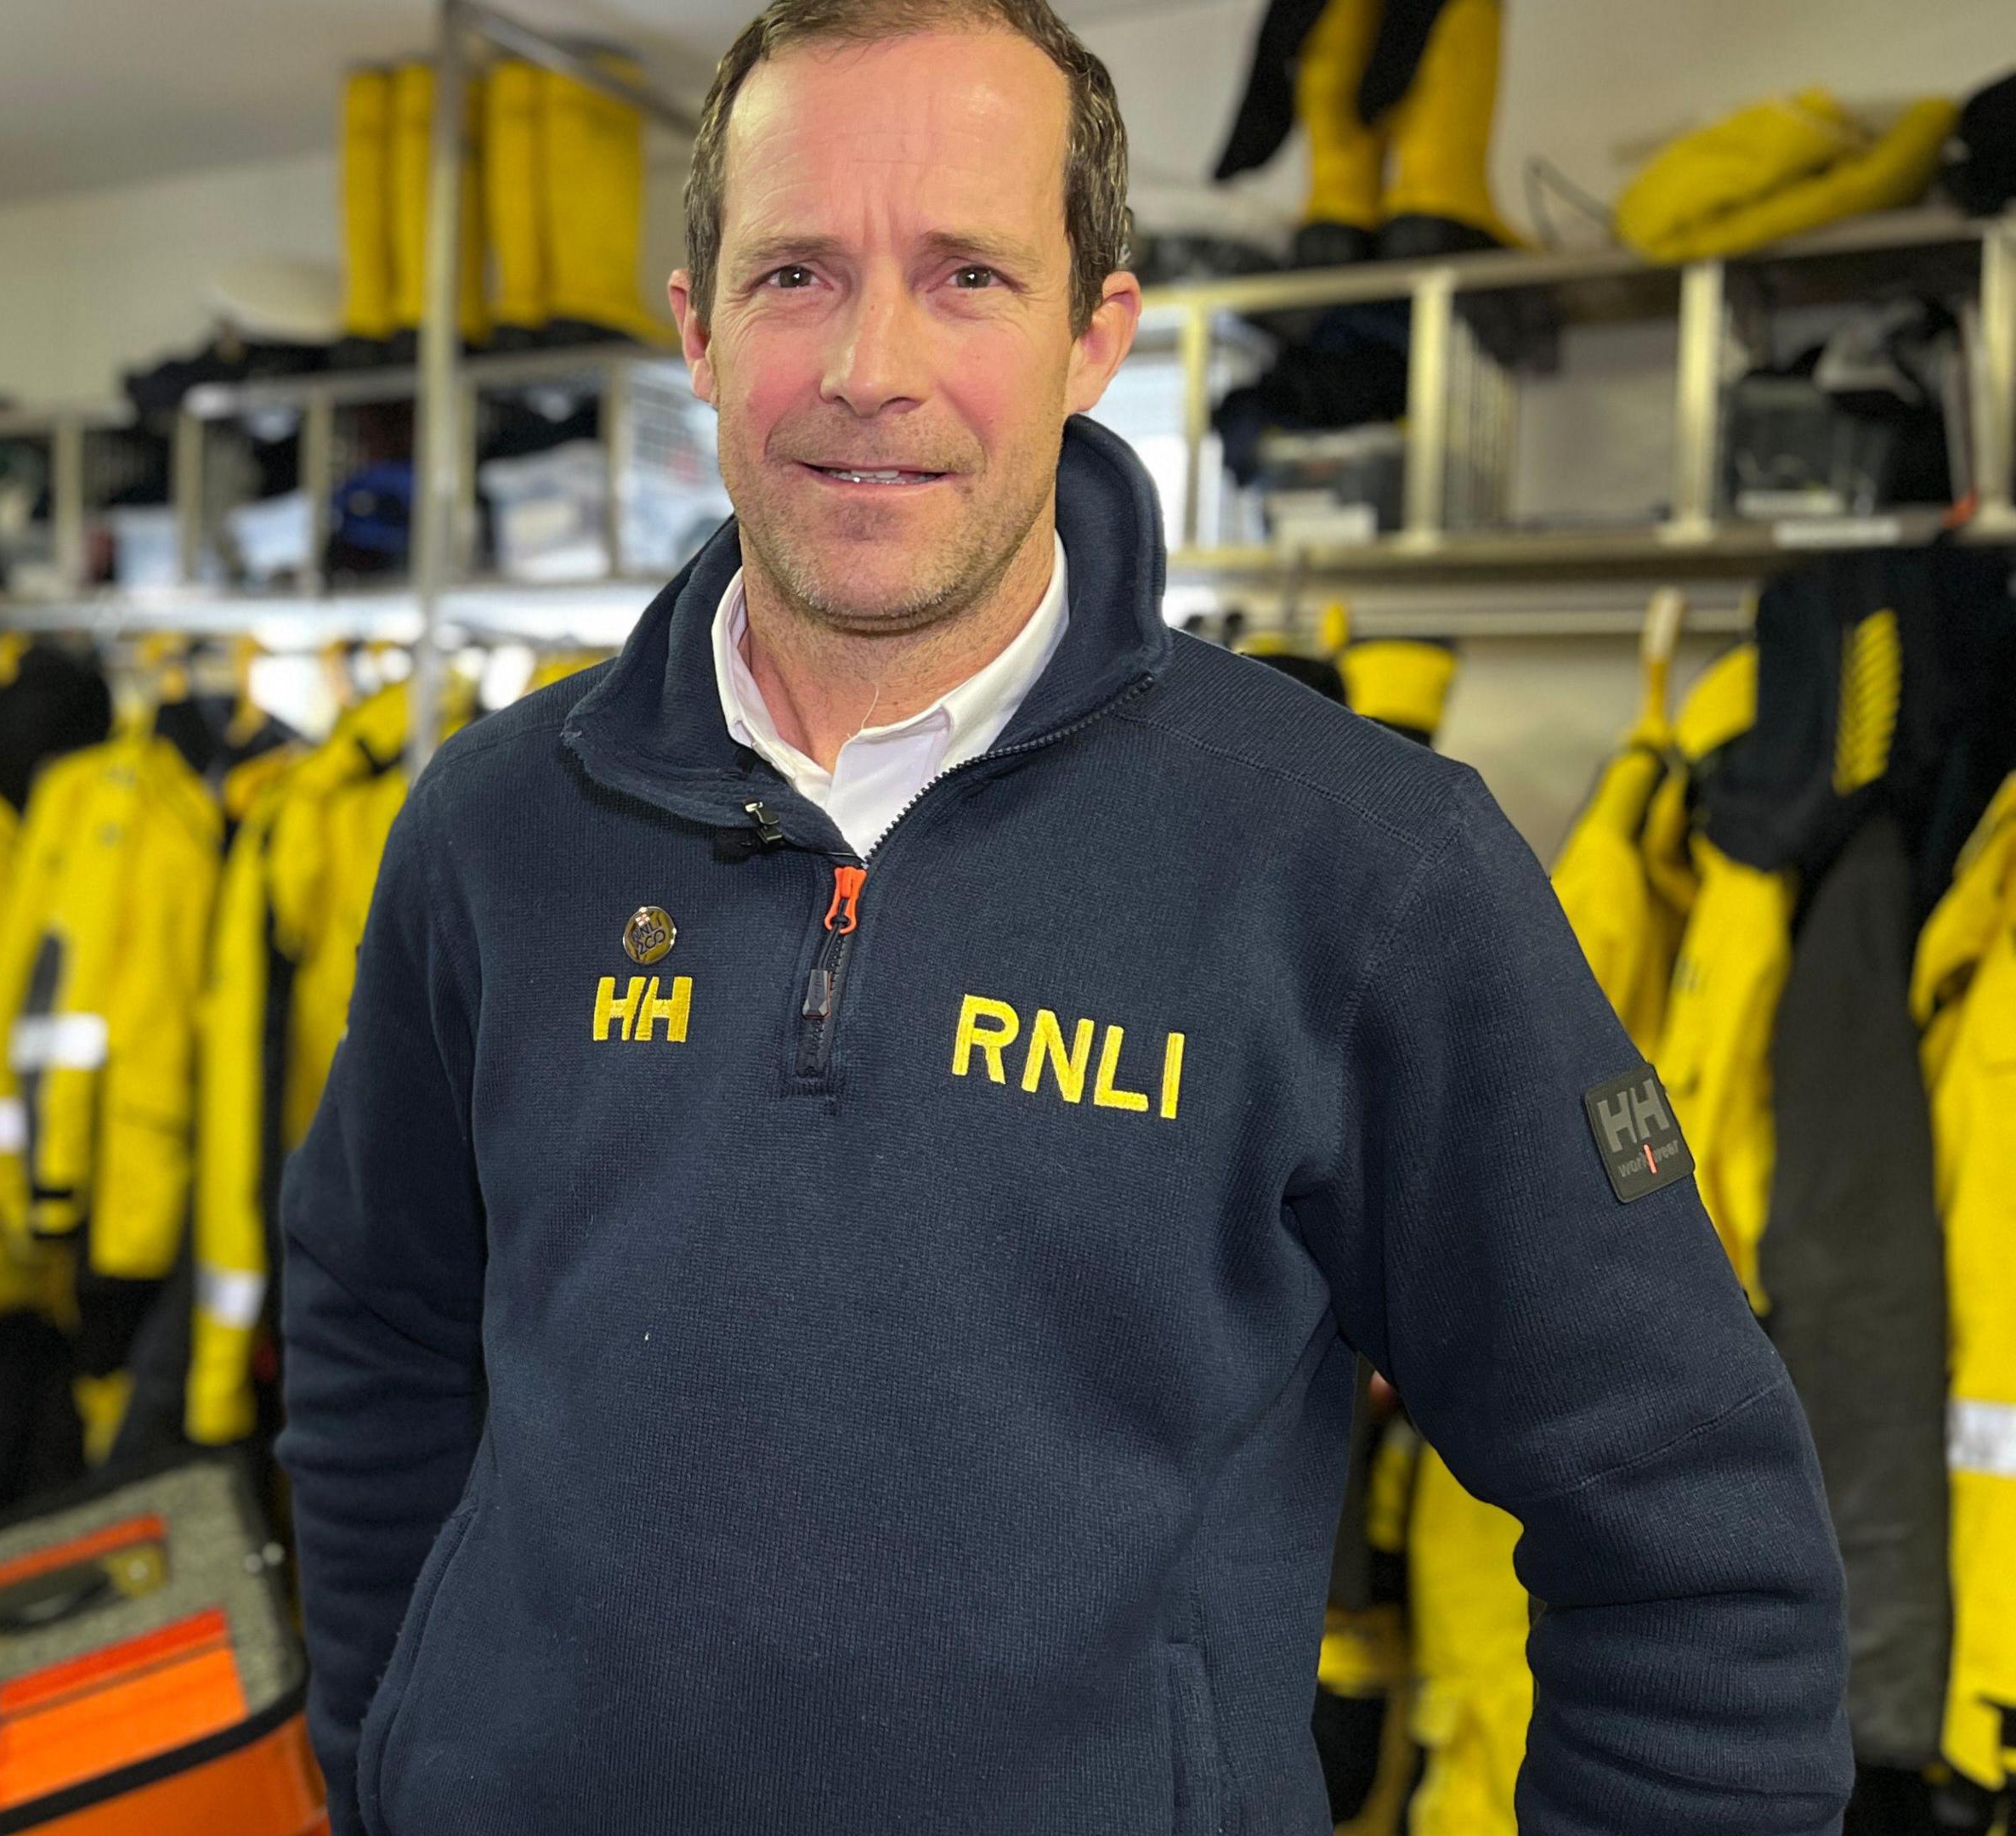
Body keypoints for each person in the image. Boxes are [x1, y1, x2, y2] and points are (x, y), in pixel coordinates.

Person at [275, 3, 1852, 1833]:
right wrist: (397, 1763)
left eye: (967, 276)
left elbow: (1698, 1544)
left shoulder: (1361, 864)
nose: (872, 364)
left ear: (1095, 333)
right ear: (697, 328)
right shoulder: (491, 825)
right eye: (797, 273)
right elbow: (378, 1332)